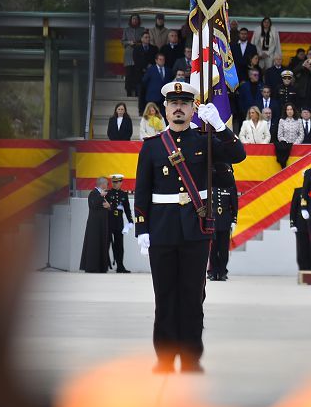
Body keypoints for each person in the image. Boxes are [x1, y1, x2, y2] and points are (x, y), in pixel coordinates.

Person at [134, 81, 246, 373]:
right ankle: (165, 358)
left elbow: (238, 155)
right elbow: (142, 190)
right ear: (166, 109)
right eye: (174, 104)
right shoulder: (153, 147)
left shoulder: (205, 141)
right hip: (162, 230)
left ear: (192, 109)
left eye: (185, 103)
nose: (179, 109)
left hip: (196, 230)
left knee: (193, 296)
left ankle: (191, 358)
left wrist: (219, 126)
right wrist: (142, 229)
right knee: (165, 296)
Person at [207, 162, 238, 282]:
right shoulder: (211, 187)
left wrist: (234, 220)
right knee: (213, 249)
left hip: (225, 219)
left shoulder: (230, 187)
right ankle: (213, 272)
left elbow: (234, 205)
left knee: (224, 249)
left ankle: (222, 271)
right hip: (213, 220)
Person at [79, 176, 111, 273]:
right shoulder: (93, 193)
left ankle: (101, 267)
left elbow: (110, 206)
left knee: (102, 244)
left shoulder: (105, 194)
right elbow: (93, 205)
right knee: (94, 245)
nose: (107, 185)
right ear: (102, 184)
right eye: (106, 184)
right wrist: (100, 196)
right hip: (94, 225)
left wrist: (109, 206)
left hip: (102, 225)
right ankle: (92, 267)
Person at [105, 174, 133, 273]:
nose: (115, 184)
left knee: (119, 245)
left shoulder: (124, 194)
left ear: (121, 182)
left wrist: (130, 220)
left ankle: (120, 266)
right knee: (106, 244)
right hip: (109, 221)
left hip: (118, 222)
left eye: (117, 182)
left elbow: (127, 209)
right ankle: (104, 265)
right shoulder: (108, 193)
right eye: (113, 182)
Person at [289, 187, 311, 272]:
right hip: (301, 224)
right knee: (302, 247)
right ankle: (303, 268)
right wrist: (292, 224)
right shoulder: (298, 191)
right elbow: (293, 209)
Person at [122, 14, 145, 97]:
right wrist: (129, 42)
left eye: (136, 19)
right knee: (128, 75)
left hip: (138, 55)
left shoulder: (142, 30)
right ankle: (128, 92)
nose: (134, 21)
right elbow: (122, 42)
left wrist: (137, 43)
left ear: (138, 20)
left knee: (137, 75)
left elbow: (145, 41)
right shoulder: (126, 30)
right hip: (129, 56)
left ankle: (136, 92)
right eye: (133, 19)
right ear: (130, 20)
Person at [275, 103, 303, 169]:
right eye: (287, 110)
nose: (289, 111)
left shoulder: (299, 120)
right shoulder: (282, 121)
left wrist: (295, 144)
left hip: (296, 147)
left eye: (291, 109)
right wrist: (286, 143)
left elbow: (301, 134)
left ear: (294, 110)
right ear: (285, 111)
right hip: (285, 147)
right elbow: (279, 135)